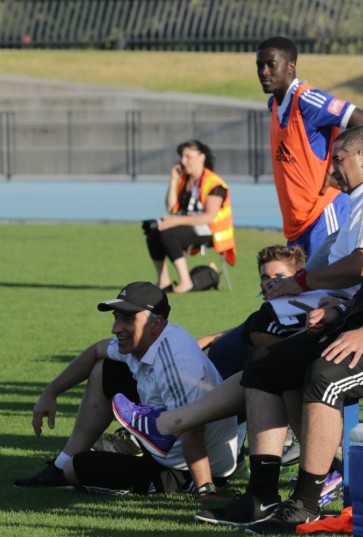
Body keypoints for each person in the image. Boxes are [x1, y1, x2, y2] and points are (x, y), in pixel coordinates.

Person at [120, 99, 363, 532]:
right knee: (265, 365)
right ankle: (262, 495)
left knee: (325, 375)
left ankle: (306, 503)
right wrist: (344, 309)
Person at [14, 282, 238, 497]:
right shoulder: (142, 341)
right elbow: (96, 351)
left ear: (156, 323)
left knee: (76, 469)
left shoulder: (176, 362)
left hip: (188, 467)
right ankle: (60, 465)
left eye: (128, 319)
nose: (115, 328)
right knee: (104, 369)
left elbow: (193, 428)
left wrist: (205, 490)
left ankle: (191, 483)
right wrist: (51, 392)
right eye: (116, 317)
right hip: (171, 442)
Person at [257, 36, 363, 255]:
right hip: (296, 224)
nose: (264, 72)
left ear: (291, 66)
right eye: (259, 65)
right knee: (298, 286)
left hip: (323, 213)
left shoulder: (307, 100)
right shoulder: (274, 104)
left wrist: (341, 164)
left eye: (271, 64)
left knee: (329, 285)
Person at [263, 126, 363, 301]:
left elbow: (360, 265)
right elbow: (337, 243)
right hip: (339, 301)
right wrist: (298, 279)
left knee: (263, 323)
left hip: (347, 306)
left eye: (338, 160)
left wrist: (301, 282)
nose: (331, 170)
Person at [198, 244, 308, 379]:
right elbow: (242, 329)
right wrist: (209, 339)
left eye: (279, 276)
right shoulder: (267, 314)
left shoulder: (295, 319)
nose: (270, 283)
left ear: (298, 278)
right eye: (265, 277)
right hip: (204, 362)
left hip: (210, 381)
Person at [144, 139, 235, 294]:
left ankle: (185, 281)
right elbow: (171, 208)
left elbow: (208, 217)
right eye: (182, 157)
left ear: (202, 157)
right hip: (189, 226)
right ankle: (163, 280)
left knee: (167, 233)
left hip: (212, 231)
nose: (183, 161)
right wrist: (173, 180)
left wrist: (174, 222)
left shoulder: (214, 184)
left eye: (188, 157)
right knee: (152, 231)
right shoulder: (185, 180)